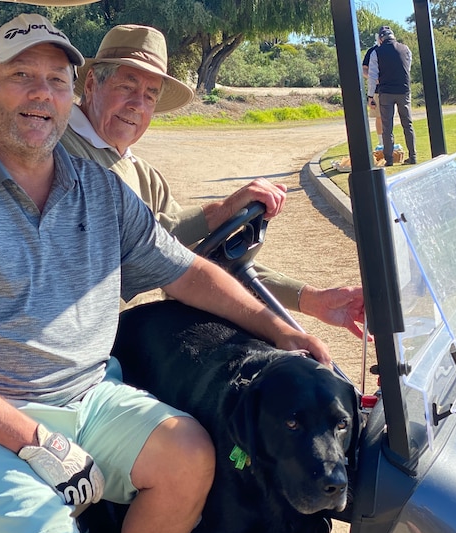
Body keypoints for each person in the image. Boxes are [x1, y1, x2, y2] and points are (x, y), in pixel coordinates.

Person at [0, 13, 330, 533]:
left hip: (87, 396)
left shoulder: (99, 187)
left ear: (72, 94)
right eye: (22, 76)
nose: (42, 94)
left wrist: (283, 331)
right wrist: (35, 440)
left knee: (190, 457)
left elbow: (182, 270)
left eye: (56, 81)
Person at [61, 24, 367, 339]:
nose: (138, 104)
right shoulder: (59, 151)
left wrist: (310, 299)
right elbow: (130, 246)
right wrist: (219, 211)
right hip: (74, 345)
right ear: (92, 84)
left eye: (150, 94)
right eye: (127, 86)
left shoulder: (144, 175)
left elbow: (199, 257)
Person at [367, 26, 416, 166]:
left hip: (386, 92)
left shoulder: (376, 52)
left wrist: (370, 96)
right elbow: (408, 68)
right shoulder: (406, 49)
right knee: (408, 124)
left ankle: (388, 160)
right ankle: (413, 156)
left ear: (381, 39)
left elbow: (372, 76)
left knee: (387, 127)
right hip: (404, 90)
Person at [362, 32, 383, 140]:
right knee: (379, 116)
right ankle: (381, 143)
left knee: (389, 117)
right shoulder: (372, 51)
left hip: (390, 88)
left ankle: (390, 142)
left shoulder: (394, 49)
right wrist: (373, 79)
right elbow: (364, 69)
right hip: (376, 90)